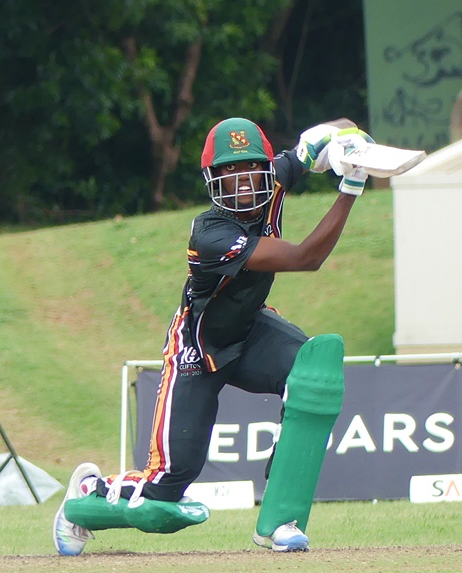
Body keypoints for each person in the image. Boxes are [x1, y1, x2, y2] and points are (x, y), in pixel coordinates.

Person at [53, 117, 372, 556]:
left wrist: (342, 140)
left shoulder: (271, 179)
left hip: (249, 328)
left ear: (265, 170)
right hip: (197, 349)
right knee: (165, 488)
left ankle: (280, 517)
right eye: (228, 174)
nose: (242, 184)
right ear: (212, 180)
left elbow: (325, 136)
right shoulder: (211, 234)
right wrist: (351, 186)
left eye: (250, 171)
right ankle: (85, 497)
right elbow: (304, 258)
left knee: (311, 371)